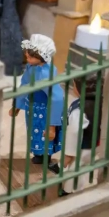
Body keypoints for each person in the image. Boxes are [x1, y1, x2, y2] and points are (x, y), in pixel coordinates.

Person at [9, 34, 65, 165]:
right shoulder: (31, 67)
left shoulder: (46, 74)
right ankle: (38, 154)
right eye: (27, 55)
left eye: (30, 57)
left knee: (44, 134)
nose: (27, 58)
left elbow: (56, 98)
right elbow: (25, 85)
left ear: (42, 57)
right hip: (33, 107)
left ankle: (45, 156)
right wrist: (17, 104)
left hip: (45, 110)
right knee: (34, 132)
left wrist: (51, 126)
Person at [61, 76, 99, 194]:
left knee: (74, 169)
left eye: (74, 85)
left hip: (83, 145)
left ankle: (68, 191)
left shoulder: (79, 108)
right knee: (82, 168)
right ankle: (77, 189)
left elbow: (74, 131)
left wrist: (69, 154)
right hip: (96, 142)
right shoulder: (101, 102)